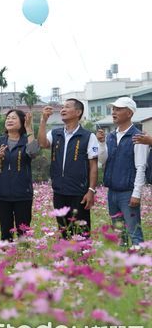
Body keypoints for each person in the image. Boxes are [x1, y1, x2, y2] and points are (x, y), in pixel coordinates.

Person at [38, 99, 99, 239]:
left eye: (67, 107)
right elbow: (42, 143)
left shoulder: (88, 136)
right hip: (59, 190)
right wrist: (43, 120)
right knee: (63, 229)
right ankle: (66, 259)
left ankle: (83, 258)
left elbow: (93, 165)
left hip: (79, 191)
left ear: (78, 112)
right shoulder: (55, 133)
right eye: (62, 107)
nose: (62, 110)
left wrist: (91, 190)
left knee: (81, 231)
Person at [96, 97, 147, 246]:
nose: (114, 112)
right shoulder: (111, 136)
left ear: (129, 113)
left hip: (128, 193)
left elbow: (141, 167)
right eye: (113, 109)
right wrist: (101, 143)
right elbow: (102, 160)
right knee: (119, 234)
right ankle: (124, 265)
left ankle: (142, 265)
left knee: (134, 232)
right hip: (112, 192)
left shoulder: (138, 137)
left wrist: (136, 193)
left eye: (118, 109)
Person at [0, 110, 38, 241]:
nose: (9, 120)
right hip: (3, 194)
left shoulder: (27, 140)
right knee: (5, 232)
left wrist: (29, 128)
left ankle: (24, 258)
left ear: (21, 122)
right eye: (8, 118)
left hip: (22, 194)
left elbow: (33, 152)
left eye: (14, 118)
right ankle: (7, 258)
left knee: (23, 232)